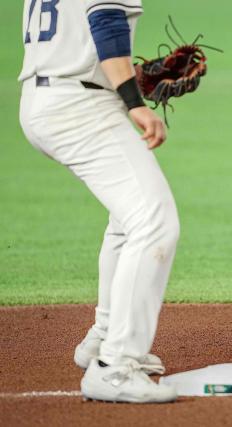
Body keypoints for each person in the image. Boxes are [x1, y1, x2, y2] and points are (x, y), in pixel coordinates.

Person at [19, 0, 178, 402]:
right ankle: (116, 366)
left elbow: (75, 39)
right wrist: (134, 100)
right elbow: (105, 22)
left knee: (129, 219)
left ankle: (104, 339)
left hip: (48, 98)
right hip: (78, 106)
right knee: (153, 221)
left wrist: (127, 77)